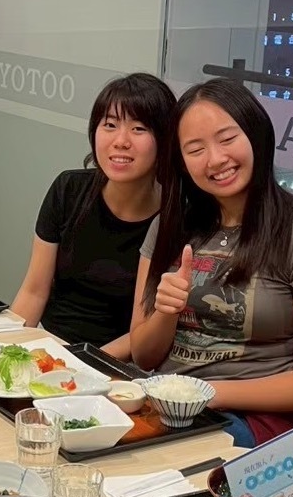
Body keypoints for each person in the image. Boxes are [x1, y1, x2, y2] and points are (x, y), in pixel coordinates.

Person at [129, 78, 293, 448]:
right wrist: (165, 311)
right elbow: (144, 355)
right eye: (195, 149)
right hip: (165, 405)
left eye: (227, 139)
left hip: (247, 419)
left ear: (256, 134)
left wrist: (206, 392)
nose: (216, 159)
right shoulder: (169, 226)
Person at [10, 73, 176, 359]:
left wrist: (80, 362)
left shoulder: (174, 218)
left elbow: (144, 332)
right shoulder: (69, 189)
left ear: (164, 140)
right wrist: (6, 353)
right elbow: (34, 292)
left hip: (116, 365)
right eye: (110, 125)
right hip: (50, 350)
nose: (120, 141)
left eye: (138, 129)